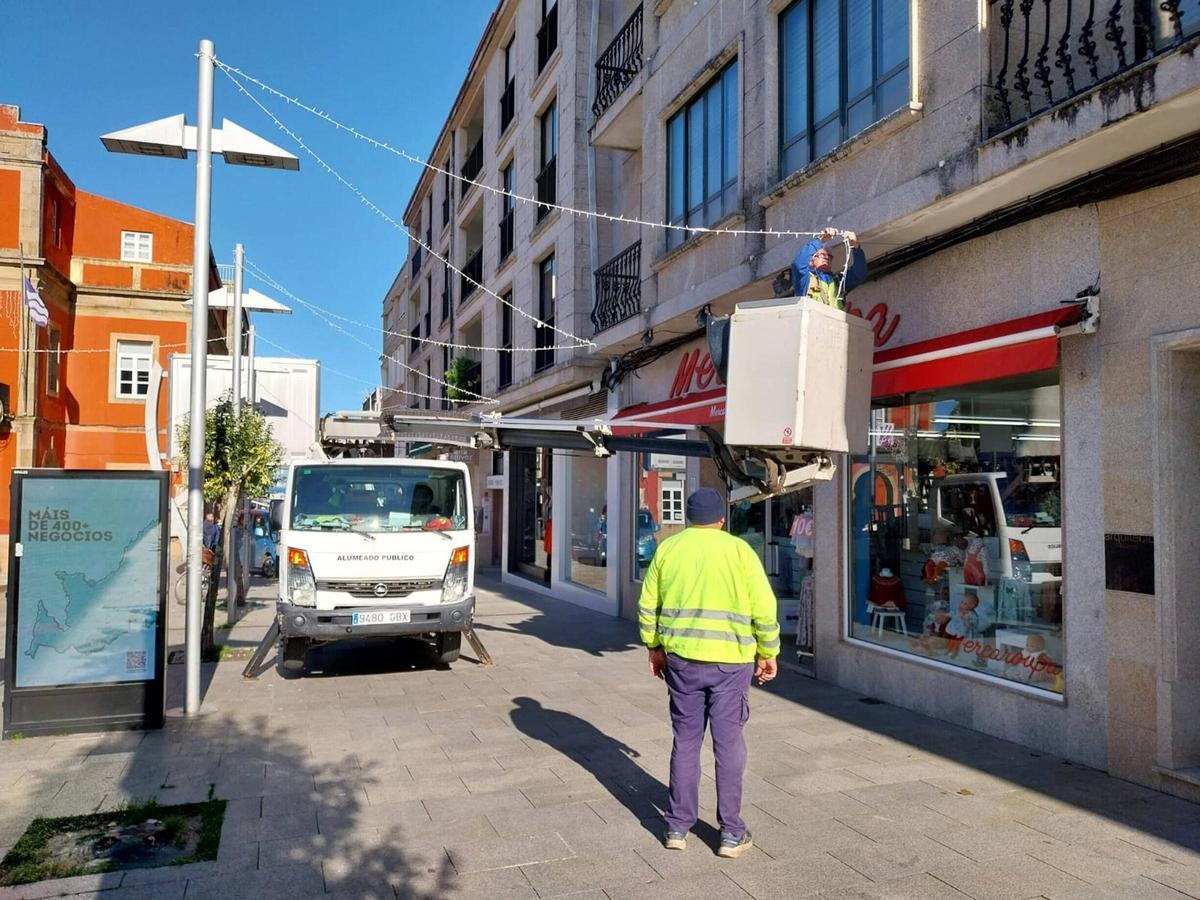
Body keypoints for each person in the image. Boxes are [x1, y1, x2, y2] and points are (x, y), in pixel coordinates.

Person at [637, 487, 780, 859]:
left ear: (688, 517)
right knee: (728, 744)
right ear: (721, 519)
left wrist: (653, 647)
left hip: (682, 661)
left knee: (685, 741)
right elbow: (764, 607)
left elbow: (648, 604)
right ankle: (731, 833)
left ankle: (676, 827)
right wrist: (769, 651)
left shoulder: (669, 549)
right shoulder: (739, 551)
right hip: (730, 664)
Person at [790, 227, 867, 311]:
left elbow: (859, 274)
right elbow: (798, 265)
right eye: (822, 255)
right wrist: (820, 240)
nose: (826, 257)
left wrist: (855, 247)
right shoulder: (805, 280)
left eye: (829, 256)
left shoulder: (838, 281)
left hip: (835, 323)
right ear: (810, 261)